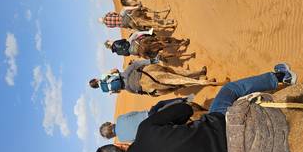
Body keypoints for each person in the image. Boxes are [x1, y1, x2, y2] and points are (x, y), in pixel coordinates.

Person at [93, 64, 298, 152]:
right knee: (230, 89)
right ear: (119, 145)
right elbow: (185, 111)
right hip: (221, 125)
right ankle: (280, 76)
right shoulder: (144, 129)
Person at [99, 96, 206, 143]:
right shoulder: (119, 119)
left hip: (151, 131)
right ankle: (183, 100)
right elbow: (135, 113)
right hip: (150, 116)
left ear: (111, 136)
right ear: (109, 125)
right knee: (161, 103)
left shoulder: (122, 139)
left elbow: (136, 139)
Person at [89, 59, 223, 96]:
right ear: (96, 80)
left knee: (168, 88)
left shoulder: (108, 89)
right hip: (130, 74)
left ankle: (199, 79)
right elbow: (117, 70)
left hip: (132, 87)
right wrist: (150, 62)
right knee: (171, 71)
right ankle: (200, 75)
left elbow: (136, 92)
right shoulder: (104, 76)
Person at [104, 29, 193, 61]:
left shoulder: (117, 53)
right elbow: (124, 40)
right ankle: (149, 32)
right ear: (109, 43)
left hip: (134, 52)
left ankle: (158, 56)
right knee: (136, 33)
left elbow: (127, 54)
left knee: (151, 56)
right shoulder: (115, 43)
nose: (110, 41)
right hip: (130, 44)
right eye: (109, 41)